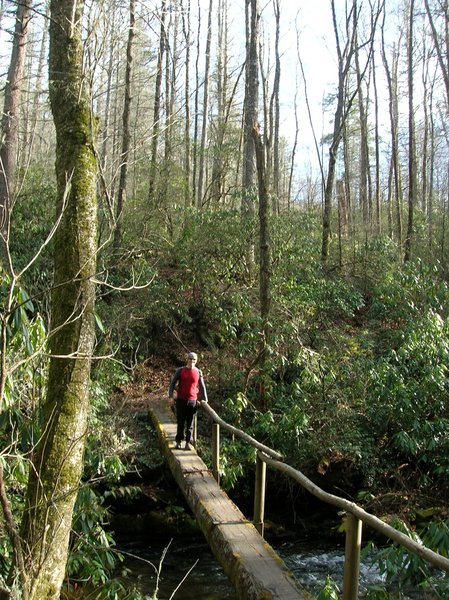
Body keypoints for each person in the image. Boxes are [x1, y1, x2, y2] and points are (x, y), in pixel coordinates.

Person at [168, 351, 208, 450]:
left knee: (190, 424)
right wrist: (170, 396)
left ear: (196, 361)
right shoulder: (181, 370)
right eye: (190, 359)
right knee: (181, 422)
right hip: (181, 400)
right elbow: (172, 384)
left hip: (192, 401)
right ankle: (178, 441)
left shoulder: (198, 372)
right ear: (187, 359)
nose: (192, 361)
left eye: (194, 359)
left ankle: (187, 443)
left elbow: (202, 386)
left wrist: (205, 399)